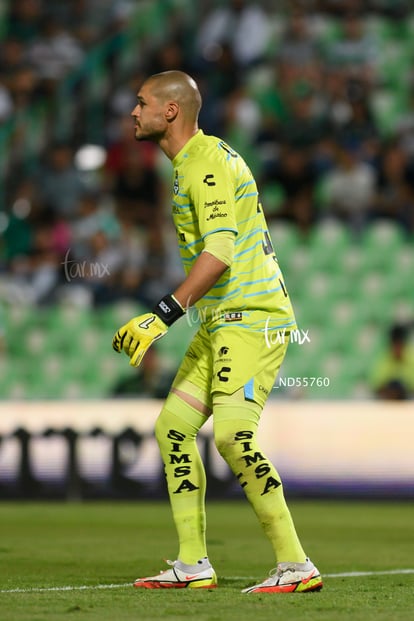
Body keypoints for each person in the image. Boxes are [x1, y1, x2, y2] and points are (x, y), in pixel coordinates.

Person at [112, 70, 323, 594]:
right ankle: (193, 562)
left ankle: (297, 565)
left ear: (170, 111)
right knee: (174, 428)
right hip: (223, 317)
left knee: (231, 435)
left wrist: (160, 315)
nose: (133, 113)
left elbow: (220, 255)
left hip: (251, 315)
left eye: (141, 103)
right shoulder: (196, 160)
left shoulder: (204, 163)